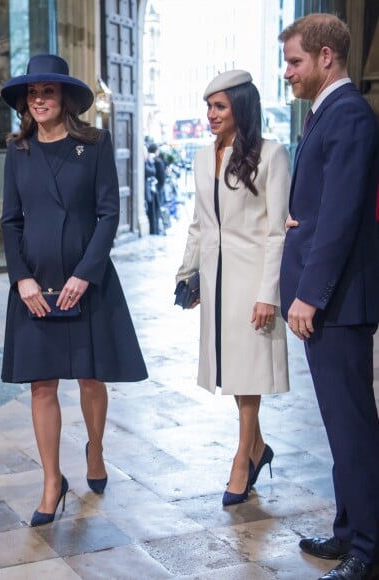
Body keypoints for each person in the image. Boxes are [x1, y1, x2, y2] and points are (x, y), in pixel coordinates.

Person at [0, 54, 147, 527]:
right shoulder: (17, 150)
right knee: (41, 384)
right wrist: (20, 277)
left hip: (86, 283)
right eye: (33, 93)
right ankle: (51, 482)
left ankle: (96, 450)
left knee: (89, 377)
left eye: (49, 92)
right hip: (35, 287)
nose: (39, 100)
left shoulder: (95, 144)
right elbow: (10, 220)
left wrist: (86, 273)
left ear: (65, 99)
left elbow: (109, 213)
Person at [279, 14, 379, 580]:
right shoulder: (327, 114)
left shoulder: (349, 115)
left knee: (353, 427)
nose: (287, 72)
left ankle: (367, 548)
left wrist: (309, 296)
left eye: (294, 61)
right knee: (340, 427)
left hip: (338, 303)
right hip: (329, 299)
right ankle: (349, 530)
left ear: (325, 58)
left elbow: (340, 218)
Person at [175, 70, 290, 507]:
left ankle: (242, 458)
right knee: (232, 372)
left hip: (251, 281)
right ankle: (259, 448)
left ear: (241, 107)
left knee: (248, 374)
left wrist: (269, 293)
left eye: (219, 107)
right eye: (208, 107)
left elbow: (277, 231)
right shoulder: (203, 158)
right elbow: (199, 222)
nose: (211, 115)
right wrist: (187, 275)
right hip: (216, 279)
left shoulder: (272, 155)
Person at [145, 143, 165, 235]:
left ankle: (155, 230)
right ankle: (154, 230)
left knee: (155, 211)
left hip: (153, 188)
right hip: (153, 189)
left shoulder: (154, 161)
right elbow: (161, 177)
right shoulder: (156, 161)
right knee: (154, 211)